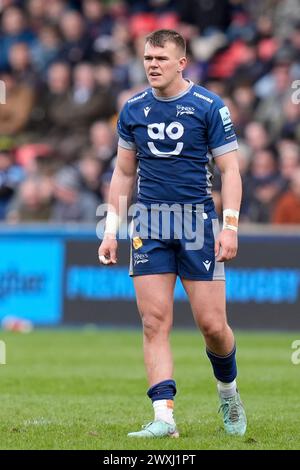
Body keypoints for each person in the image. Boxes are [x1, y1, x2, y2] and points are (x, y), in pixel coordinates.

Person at [98, 29, 247, 438]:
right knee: (154, 322)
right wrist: (110, 230)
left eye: (161, 58)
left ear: (182, 63)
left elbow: (230, 170)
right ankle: (164, 416)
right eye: (147, 58)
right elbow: (123, 173)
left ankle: (228, 392)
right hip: (149, 223)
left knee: (213, 326)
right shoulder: (132, 110)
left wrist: (230, 226)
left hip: (197, 222)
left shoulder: (209, 106)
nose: (152, 65)